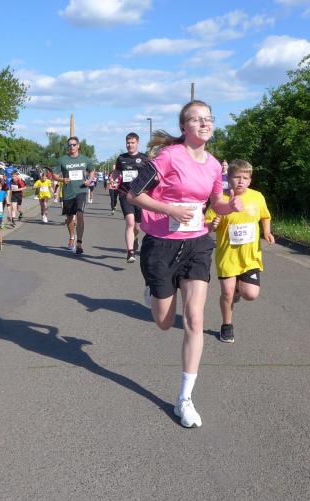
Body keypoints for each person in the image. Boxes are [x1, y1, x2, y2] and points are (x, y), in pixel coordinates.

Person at [127, 100, 243, 428]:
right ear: (183, 127)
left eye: (208, 118)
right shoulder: (168, 157)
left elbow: (215, 202)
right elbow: (134, 194)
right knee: (165, 322)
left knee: (194, 319)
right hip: (161, 245)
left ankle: (185, 399)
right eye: (197, 119)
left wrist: (229, 206)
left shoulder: (215, 165)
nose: (205, 124)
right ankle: (153, 289)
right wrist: (170, 210)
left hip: (197, 244)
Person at [205, 159, 274, 343]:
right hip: (227, 256)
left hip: (250, 257)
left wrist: (267, 232)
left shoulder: (257, 197)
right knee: (227, 294)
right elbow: (206, 224)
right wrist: (212, 225)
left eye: (245, 178)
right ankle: (227, 325)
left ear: (250, 180)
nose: (241, 181)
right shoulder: (220, 200)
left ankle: (238, 289)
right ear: (228, 179)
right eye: (237, 177)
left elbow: (265, 216)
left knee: (251, 294)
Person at [54, 136, 96, 255]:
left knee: (80, 214)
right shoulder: (62, 160)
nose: (72, 146)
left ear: (78, 146)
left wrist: (89, 180)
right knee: (69, 218)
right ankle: (72, 236)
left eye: (74, 144)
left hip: (81, 191)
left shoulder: (85, 159)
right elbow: (54, 175)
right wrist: (62, 179)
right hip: (68, 192)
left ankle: (79, 243)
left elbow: (92, 170)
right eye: (70, 145)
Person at [114, 132, 148, 263]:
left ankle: (134, 238)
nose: (130, 145)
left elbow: (150, 175)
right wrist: (114, 178)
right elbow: (117, 172)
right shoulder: (121, 158)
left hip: (140, 195)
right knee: (130, 222)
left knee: (138, 227)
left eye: (132, 142)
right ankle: (130, 252)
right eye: (128, 143)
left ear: (137, 143)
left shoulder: (144, 158)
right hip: (125, 194)